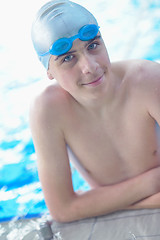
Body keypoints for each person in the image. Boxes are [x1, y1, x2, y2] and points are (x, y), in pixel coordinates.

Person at [30, 0, 160, 223]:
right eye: (68, 58)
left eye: (93, 46)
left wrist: (97, 205)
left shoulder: (148, 80)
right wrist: (153, 183)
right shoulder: (48, 112)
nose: (90, 67)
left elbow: (71, 207)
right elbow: (62, 210)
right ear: (49, 71)